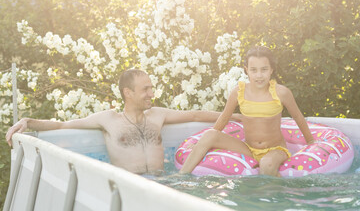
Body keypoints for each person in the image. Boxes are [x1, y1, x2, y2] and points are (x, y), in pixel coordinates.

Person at [6, 69, 242, 175]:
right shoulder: (109, 120)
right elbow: (62, 126)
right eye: (145, 89)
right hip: (130, 186)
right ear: (127, 92)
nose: (152, 93)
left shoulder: (157, 115)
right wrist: (28, 120)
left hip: (165, 182)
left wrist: (240, 117)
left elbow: (196, 115)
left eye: (151, 88)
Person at [179, 46, 315, 177]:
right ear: (246, 70)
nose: (259, 75)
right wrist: (200, 144)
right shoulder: (238, 92)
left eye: (264, 69)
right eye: (254, 70)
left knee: (266, 164)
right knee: (210, 134)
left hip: (275, 150)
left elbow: (297, 116)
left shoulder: (281, 92)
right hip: (249, 148)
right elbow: (224, 118)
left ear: (271, 70)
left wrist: (310, 142)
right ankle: (181, 176)